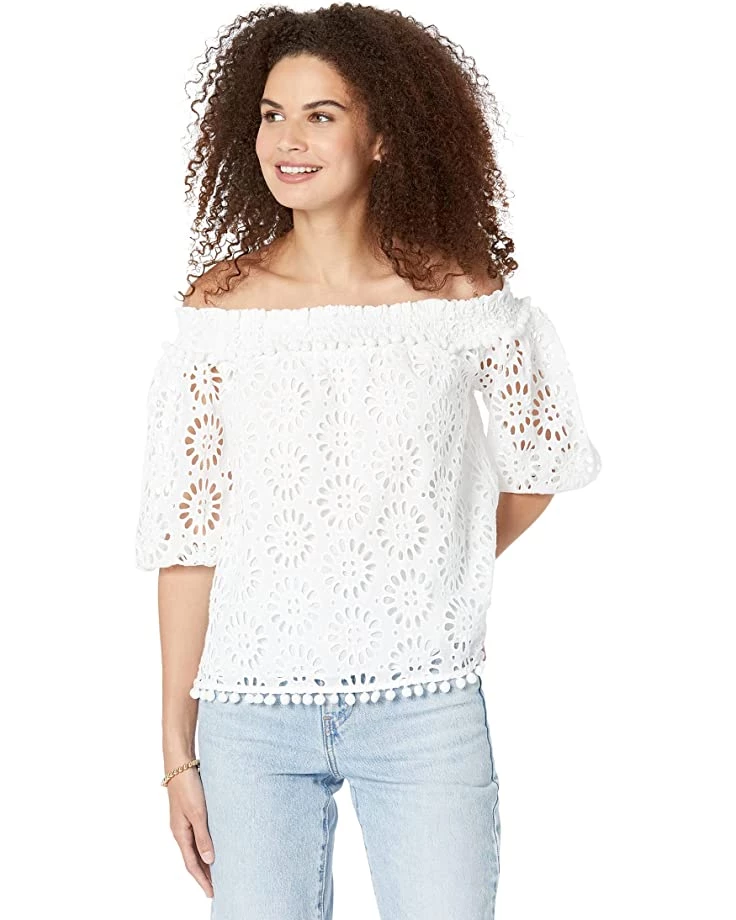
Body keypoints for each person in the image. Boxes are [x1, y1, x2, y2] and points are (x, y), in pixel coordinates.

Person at [135, 5, 603, 919]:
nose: (288, 140)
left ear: (383, 136)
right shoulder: (221, 307)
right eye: (272, 114)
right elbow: (187, 534)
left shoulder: (458, 293)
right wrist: (176, 750)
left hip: (424, 708)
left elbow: (540, 461)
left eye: (321, 115)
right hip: (249, 714)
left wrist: (424, 565)